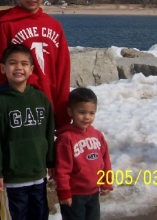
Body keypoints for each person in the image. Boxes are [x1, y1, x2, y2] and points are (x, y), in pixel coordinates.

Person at [0, 0, 71, 130]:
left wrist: (63, 111)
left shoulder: (54, 26)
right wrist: (20, 85)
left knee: (46, 149)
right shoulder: (6, 25)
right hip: (19, 99)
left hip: (50, 99)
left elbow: (63, 68)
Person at [0, 44, 55, 220]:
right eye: (13, 63)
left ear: (31, 69)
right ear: (3, 68)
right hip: (11, 180)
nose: (18, 67)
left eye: (24, 64)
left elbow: (48, 133)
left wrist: (51, 161)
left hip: (38, 176)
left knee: (39, 215)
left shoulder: (41, 99)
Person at [54, 87, 113, 220]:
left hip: (93, 193)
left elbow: (105, 161)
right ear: (70, 112)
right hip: (74, 196)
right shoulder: (66, 138)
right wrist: (64, 192)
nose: (87, 117)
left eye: (91, 113)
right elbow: (62, 169)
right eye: (82, 112)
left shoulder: (97, 135)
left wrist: (106, 181)